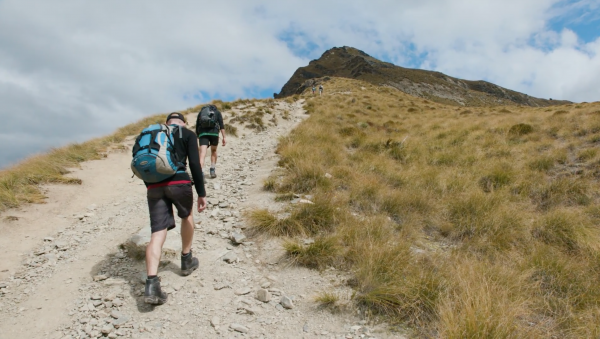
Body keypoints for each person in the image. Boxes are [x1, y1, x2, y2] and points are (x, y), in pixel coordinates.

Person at [144, 112, 207, 305]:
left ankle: (152, 284)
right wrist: (201, 192)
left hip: (154, 186)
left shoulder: (154, 133)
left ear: (167, 123)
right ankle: (186, 259)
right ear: (183, 123)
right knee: (186, 216)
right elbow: (195, 164)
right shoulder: (187, 134)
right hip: (179, 182)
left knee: (157, 233)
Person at [197, 105, 226, 178]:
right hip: (214, 133)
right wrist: (224, 137)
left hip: (203, 134)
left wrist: (198, 135)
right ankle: (212, 169)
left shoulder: (201, 112)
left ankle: (200, 172)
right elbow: (221, 125)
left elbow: (197, 125)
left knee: (202, 154)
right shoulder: (217, 112)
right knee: (213, 150)